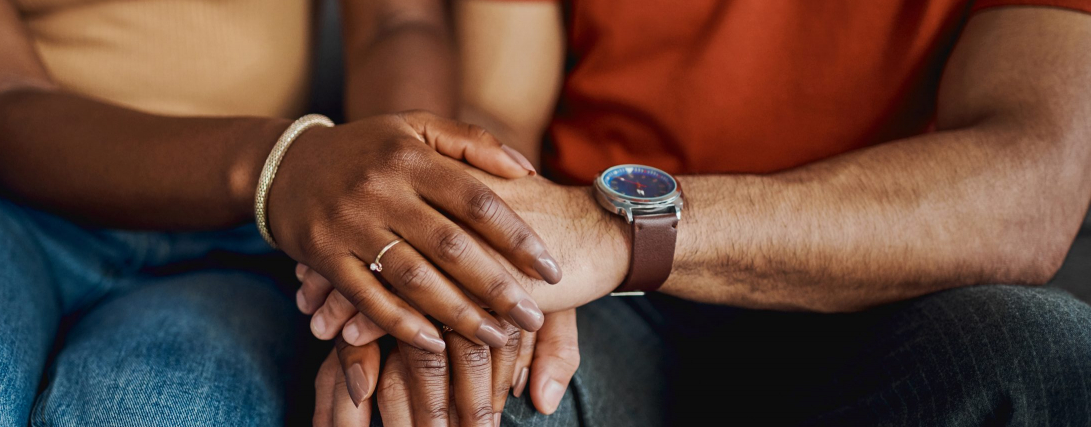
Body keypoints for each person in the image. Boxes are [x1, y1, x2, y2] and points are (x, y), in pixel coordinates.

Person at [306, 0, 1091, 425]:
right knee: (441, 396)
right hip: (595, 306)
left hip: (898, 300)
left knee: (1046, 355)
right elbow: (498, 108)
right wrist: (469, 251)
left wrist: (616, 233)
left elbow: (1032, 181)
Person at [0, 0, 567, 425]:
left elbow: (398, 25)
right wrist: (284, 166)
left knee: (157, 409)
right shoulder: (283, 168)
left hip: (245, 241)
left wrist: (396, 232)